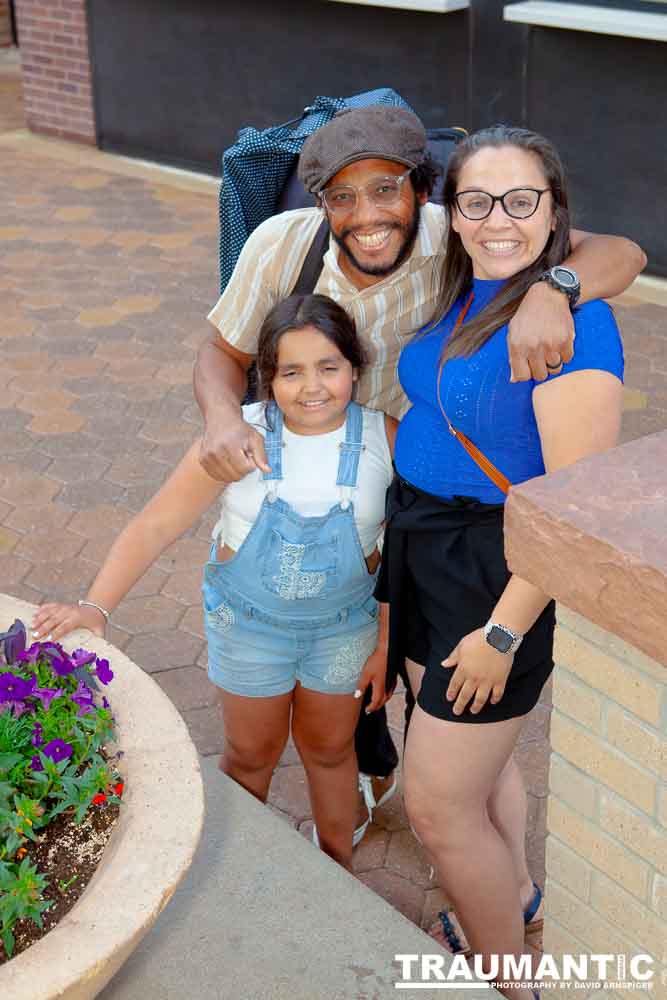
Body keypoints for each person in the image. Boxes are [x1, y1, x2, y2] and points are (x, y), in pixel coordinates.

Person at [193, 105, 645, 841]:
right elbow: (220, 351)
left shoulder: (461, 230)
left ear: (420, 192)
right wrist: (220, 417)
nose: (365, 214)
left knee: (392, 678)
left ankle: (401, 807)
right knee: (382, 667)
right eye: (340, 196)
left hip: (403, 488)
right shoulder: (282, 245)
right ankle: (376, 782)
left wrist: (550, 288)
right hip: (311, 487)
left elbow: (621, 253)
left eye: (385, 190)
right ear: (318, 204)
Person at [377, 125, 624, 993]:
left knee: (438, 807)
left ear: (554, 211)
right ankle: (512, 892)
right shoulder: (469, 291)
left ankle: (507, 977)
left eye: (521, 200)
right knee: (475, 770)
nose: (497, 220)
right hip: (425, 549)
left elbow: (574, 510)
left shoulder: (570, 327)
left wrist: (503, 633)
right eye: (476, 201)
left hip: (500, 575)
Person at [31, 294, 396, 871]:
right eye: (291, 372)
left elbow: (403, 554)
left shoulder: (384, 439)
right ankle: (223, 870)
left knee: (330, 751)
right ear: (266, 378)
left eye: (329, 367)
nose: (312, 387)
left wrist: (383, 642)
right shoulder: (237, 437)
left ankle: (337, 871)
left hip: (341, 632)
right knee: (252, 754)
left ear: (355, 367)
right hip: (248, 628)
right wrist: (93, 607)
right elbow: (157, 522)